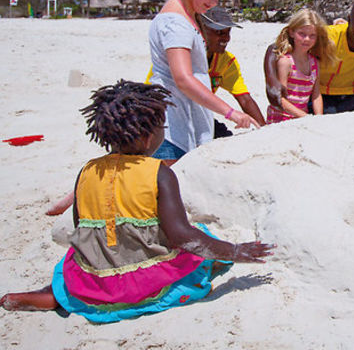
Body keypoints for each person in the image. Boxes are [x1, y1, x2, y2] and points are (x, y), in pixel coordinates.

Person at [1, 80, 273, 321]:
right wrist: (235, 251)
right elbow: (182, 236)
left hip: (92, 279)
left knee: (71, 260)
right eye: (161, 127)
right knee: (201, 245)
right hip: (138, 280)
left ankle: (51, 294)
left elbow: (83, 230)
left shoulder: (87, 170)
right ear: (146, 137)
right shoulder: (159, 174)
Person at [149, 0, 259, 163]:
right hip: (173, 130)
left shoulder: (185, 16)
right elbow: (183, 79)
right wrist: (230, 113)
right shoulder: (176, 23)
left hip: (183, 125)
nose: (214, 2)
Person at [146, 5, 266, 137]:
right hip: (167, 117)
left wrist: (264, 130)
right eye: (219, 32)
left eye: (228, 32)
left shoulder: (226, 61)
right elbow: (150, 95)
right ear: (200, 30)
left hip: (198, 117)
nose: (226, 38)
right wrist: (231, 113)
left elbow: (244, 99)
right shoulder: (179, 56)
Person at [266, 8, 336, 123]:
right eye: (302, 34)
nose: (307, 39)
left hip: (302, 118)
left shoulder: (314, 62)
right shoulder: (286, 62)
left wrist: (319, 118)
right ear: (292, 32)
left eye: (312, 35)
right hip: (281, 118)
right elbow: (281, 98)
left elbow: (316, 94)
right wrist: (305, 117)